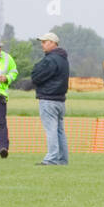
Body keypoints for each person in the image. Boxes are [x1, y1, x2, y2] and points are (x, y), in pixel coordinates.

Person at [31, 32, 70, 165]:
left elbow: (36, 76)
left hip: (48, 99)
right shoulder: (63, 59)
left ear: (53, 43)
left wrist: (35, 71)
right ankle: (62, 159)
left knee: (51, 130)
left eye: (45, 42)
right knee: (60, 131)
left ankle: (51, 159)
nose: (42, 45)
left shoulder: (50, 59)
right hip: (60, 100)